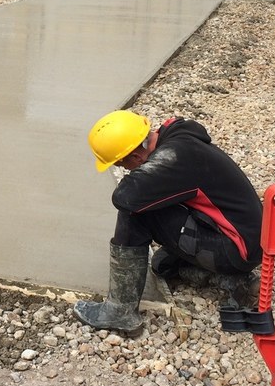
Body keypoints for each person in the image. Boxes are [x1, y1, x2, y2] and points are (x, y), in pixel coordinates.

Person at [73, 109, 264, 334]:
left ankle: (120, 312)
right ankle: (231, 280)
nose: (125, 170)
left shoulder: (174, 158)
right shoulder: (178, 138)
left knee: (135, 212)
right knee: (163, 265)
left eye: (122, 165)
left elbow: (125, 197)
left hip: (234, 249)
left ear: (135, 156)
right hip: (246, 242)